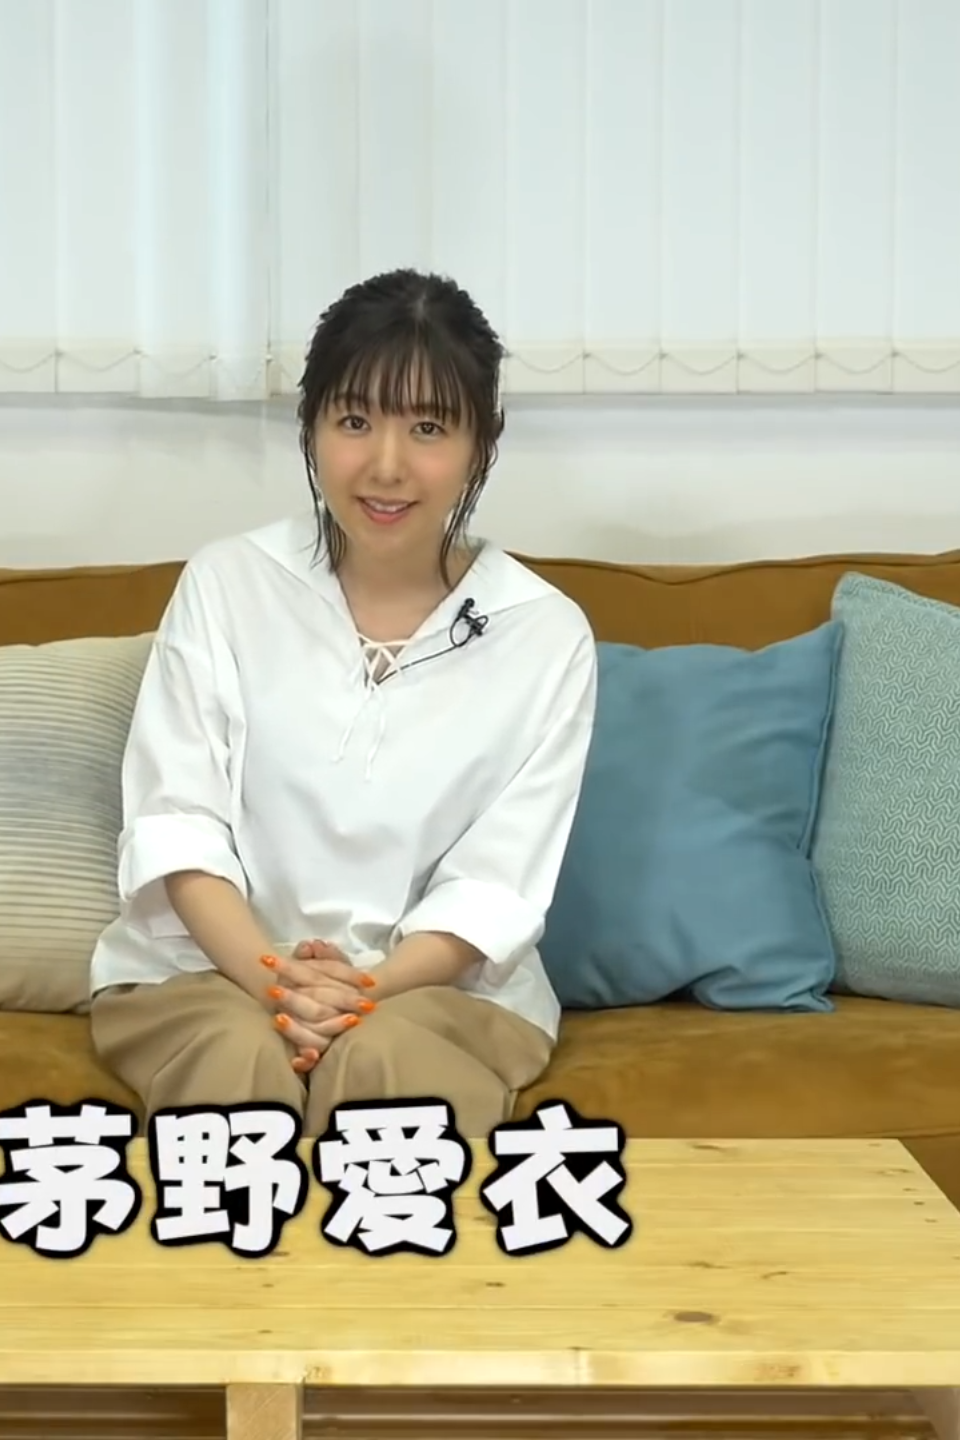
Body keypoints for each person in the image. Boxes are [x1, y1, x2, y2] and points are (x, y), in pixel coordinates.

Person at [85, 268, 599, 1139]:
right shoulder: (228, 583)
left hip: (437, 991)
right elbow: (179, 824)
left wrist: (360, 992)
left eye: (428, 428)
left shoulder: (545, 635)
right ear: (311, 425)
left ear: (482, 442)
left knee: (385, 1071)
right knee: (238, 1065)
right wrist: (275, 982)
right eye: (355, 421)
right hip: (208, 971)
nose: (386, 466)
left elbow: (496, 885)